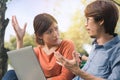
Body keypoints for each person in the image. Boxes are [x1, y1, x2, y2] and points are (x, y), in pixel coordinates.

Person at [54, 0, 120, 80]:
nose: (85, 24)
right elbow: (100, 64)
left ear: (101, 21)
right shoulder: (96, 44)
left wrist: (77, 71)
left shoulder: (117, 51)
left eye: (88, 19)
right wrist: (80, 60)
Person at [2, 13, 75, 80]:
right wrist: (19, 39)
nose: (55, 34)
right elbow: (22, 71)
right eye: (50, 32)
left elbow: (66, 77)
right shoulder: (37, 51)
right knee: (11, 73)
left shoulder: (67, 45)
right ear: (40, 36)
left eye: (56, 28)